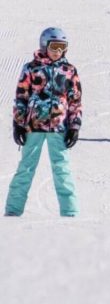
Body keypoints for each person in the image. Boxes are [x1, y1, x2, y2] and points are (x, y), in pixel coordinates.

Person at [5, 28, 82, 217]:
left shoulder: (69, 70)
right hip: (34, 127)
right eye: (54, 46)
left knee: (62, 169)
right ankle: (13, 211)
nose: (58, 51)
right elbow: (21, 97)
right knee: (26, 168)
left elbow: (75, 101)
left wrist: (74, 126)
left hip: (59, 128)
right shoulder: (31, 68)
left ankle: (70, 212)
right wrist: (18, 124)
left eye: (62, 47)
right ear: (44, 45)